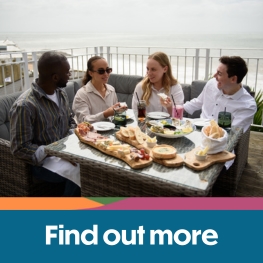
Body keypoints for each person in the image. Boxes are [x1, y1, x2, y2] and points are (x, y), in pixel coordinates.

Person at [10, 51, 80, 197]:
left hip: (64, 152)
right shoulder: (25, 105)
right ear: (55, 77)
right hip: (41, 163)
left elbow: (69, 122)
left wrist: (78, 133)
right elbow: (19, 148)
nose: (70, 75)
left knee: (91, 166)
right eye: (67, 73)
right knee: (79, 171)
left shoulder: (61, 94)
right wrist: (54, 152)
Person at [184, 56, 257, 133]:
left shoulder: (247, 106)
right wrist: (176, 109)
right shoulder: (212, 84)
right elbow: (198, 102)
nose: (214, 76)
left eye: (219, 74)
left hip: (220, 139)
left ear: (233, 79)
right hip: (197, 130)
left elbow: (233, 134)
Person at [72, 56, 127, 124]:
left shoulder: (111, 90)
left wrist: (120, 110)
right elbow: (83, 121)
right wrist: (105, 114)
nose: (106, 74)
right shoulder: (82, 94)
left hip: (109, 129)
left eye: (108, 70)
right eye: (101, 71)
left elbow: (114, 115)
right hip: (89, 133)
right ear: (91, 73)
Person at [131, 51, 184, 116]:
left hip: (169, 126)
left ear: (165, 69)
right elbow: (136, 112)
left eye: (153, 69)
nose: (149, 73)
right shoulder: (140, 87)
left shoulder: (175, 87)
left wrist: (169, 107)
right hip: (147, 125)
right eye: (148, 69)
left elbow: (178, 116)